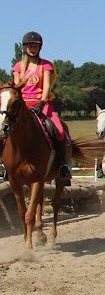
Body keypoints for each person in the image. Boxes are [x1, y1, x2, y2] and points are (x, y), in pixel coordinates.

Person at [11, 31, 72, 182]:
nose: (32, 48)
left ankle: (63, 165)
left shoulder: (46, 65)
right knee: (5, 129)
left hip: (41, 103)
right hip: (22, 105)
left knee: (59, 130)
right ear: (24, 47)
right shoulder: (18, 67)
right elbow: (16, 89)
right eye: (30, 45)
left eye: (35, 45)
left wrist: (42, 102)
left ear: (40, 47)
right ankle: (7, 165)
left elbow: (46, 87)